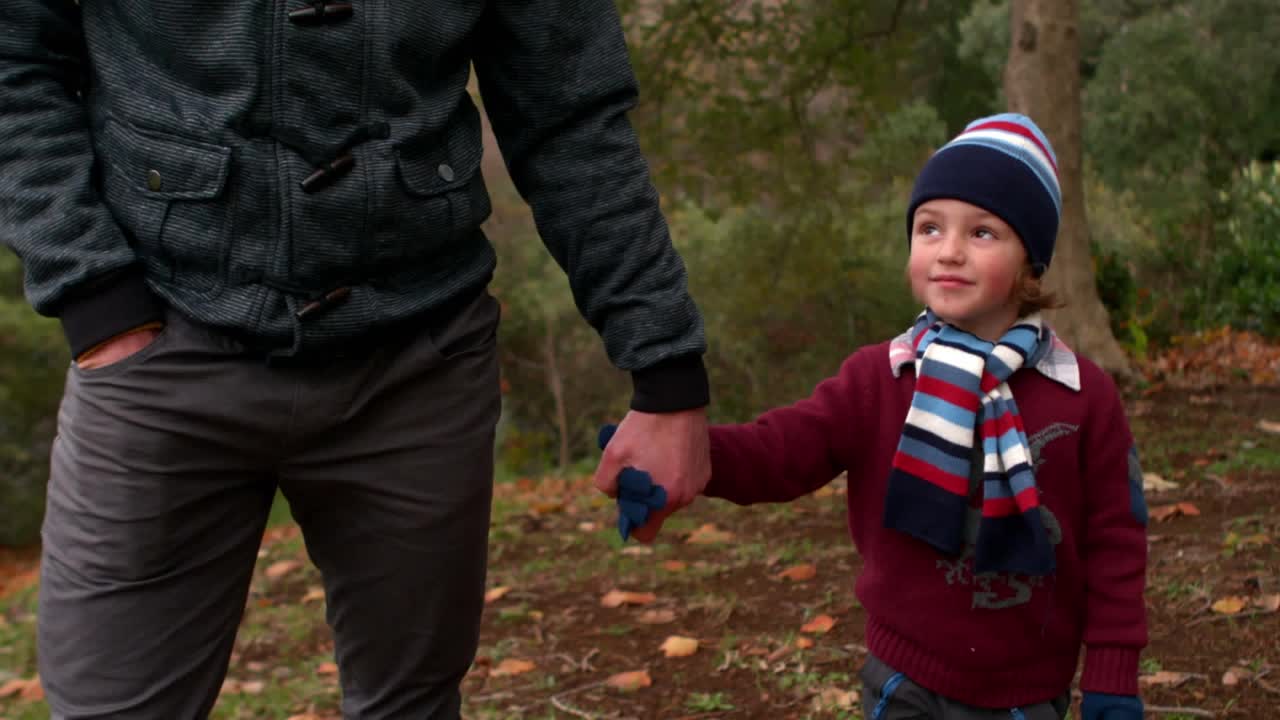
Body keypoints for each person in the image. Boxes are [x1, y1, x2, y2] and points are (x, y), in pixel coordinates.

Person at [0, 1, 710, 717]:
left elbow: (572, 120)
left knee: (413, 704)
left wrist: (667, 374)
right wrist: (97, 302)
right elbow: (13, 58)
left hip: (419, 365)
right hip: (158, 352)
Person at [696, 114, 1148, 719]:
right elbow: (782, 451)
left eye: (983, 233)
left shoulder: (1082, 396)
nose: (950, 252)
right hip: (902, 674)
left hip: (1025, 689)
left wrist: (1113, 674)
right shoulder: (879, 377)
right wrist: (690, 456)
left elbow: (1117, 540)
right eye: (929, 228)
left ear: (1030, 261)